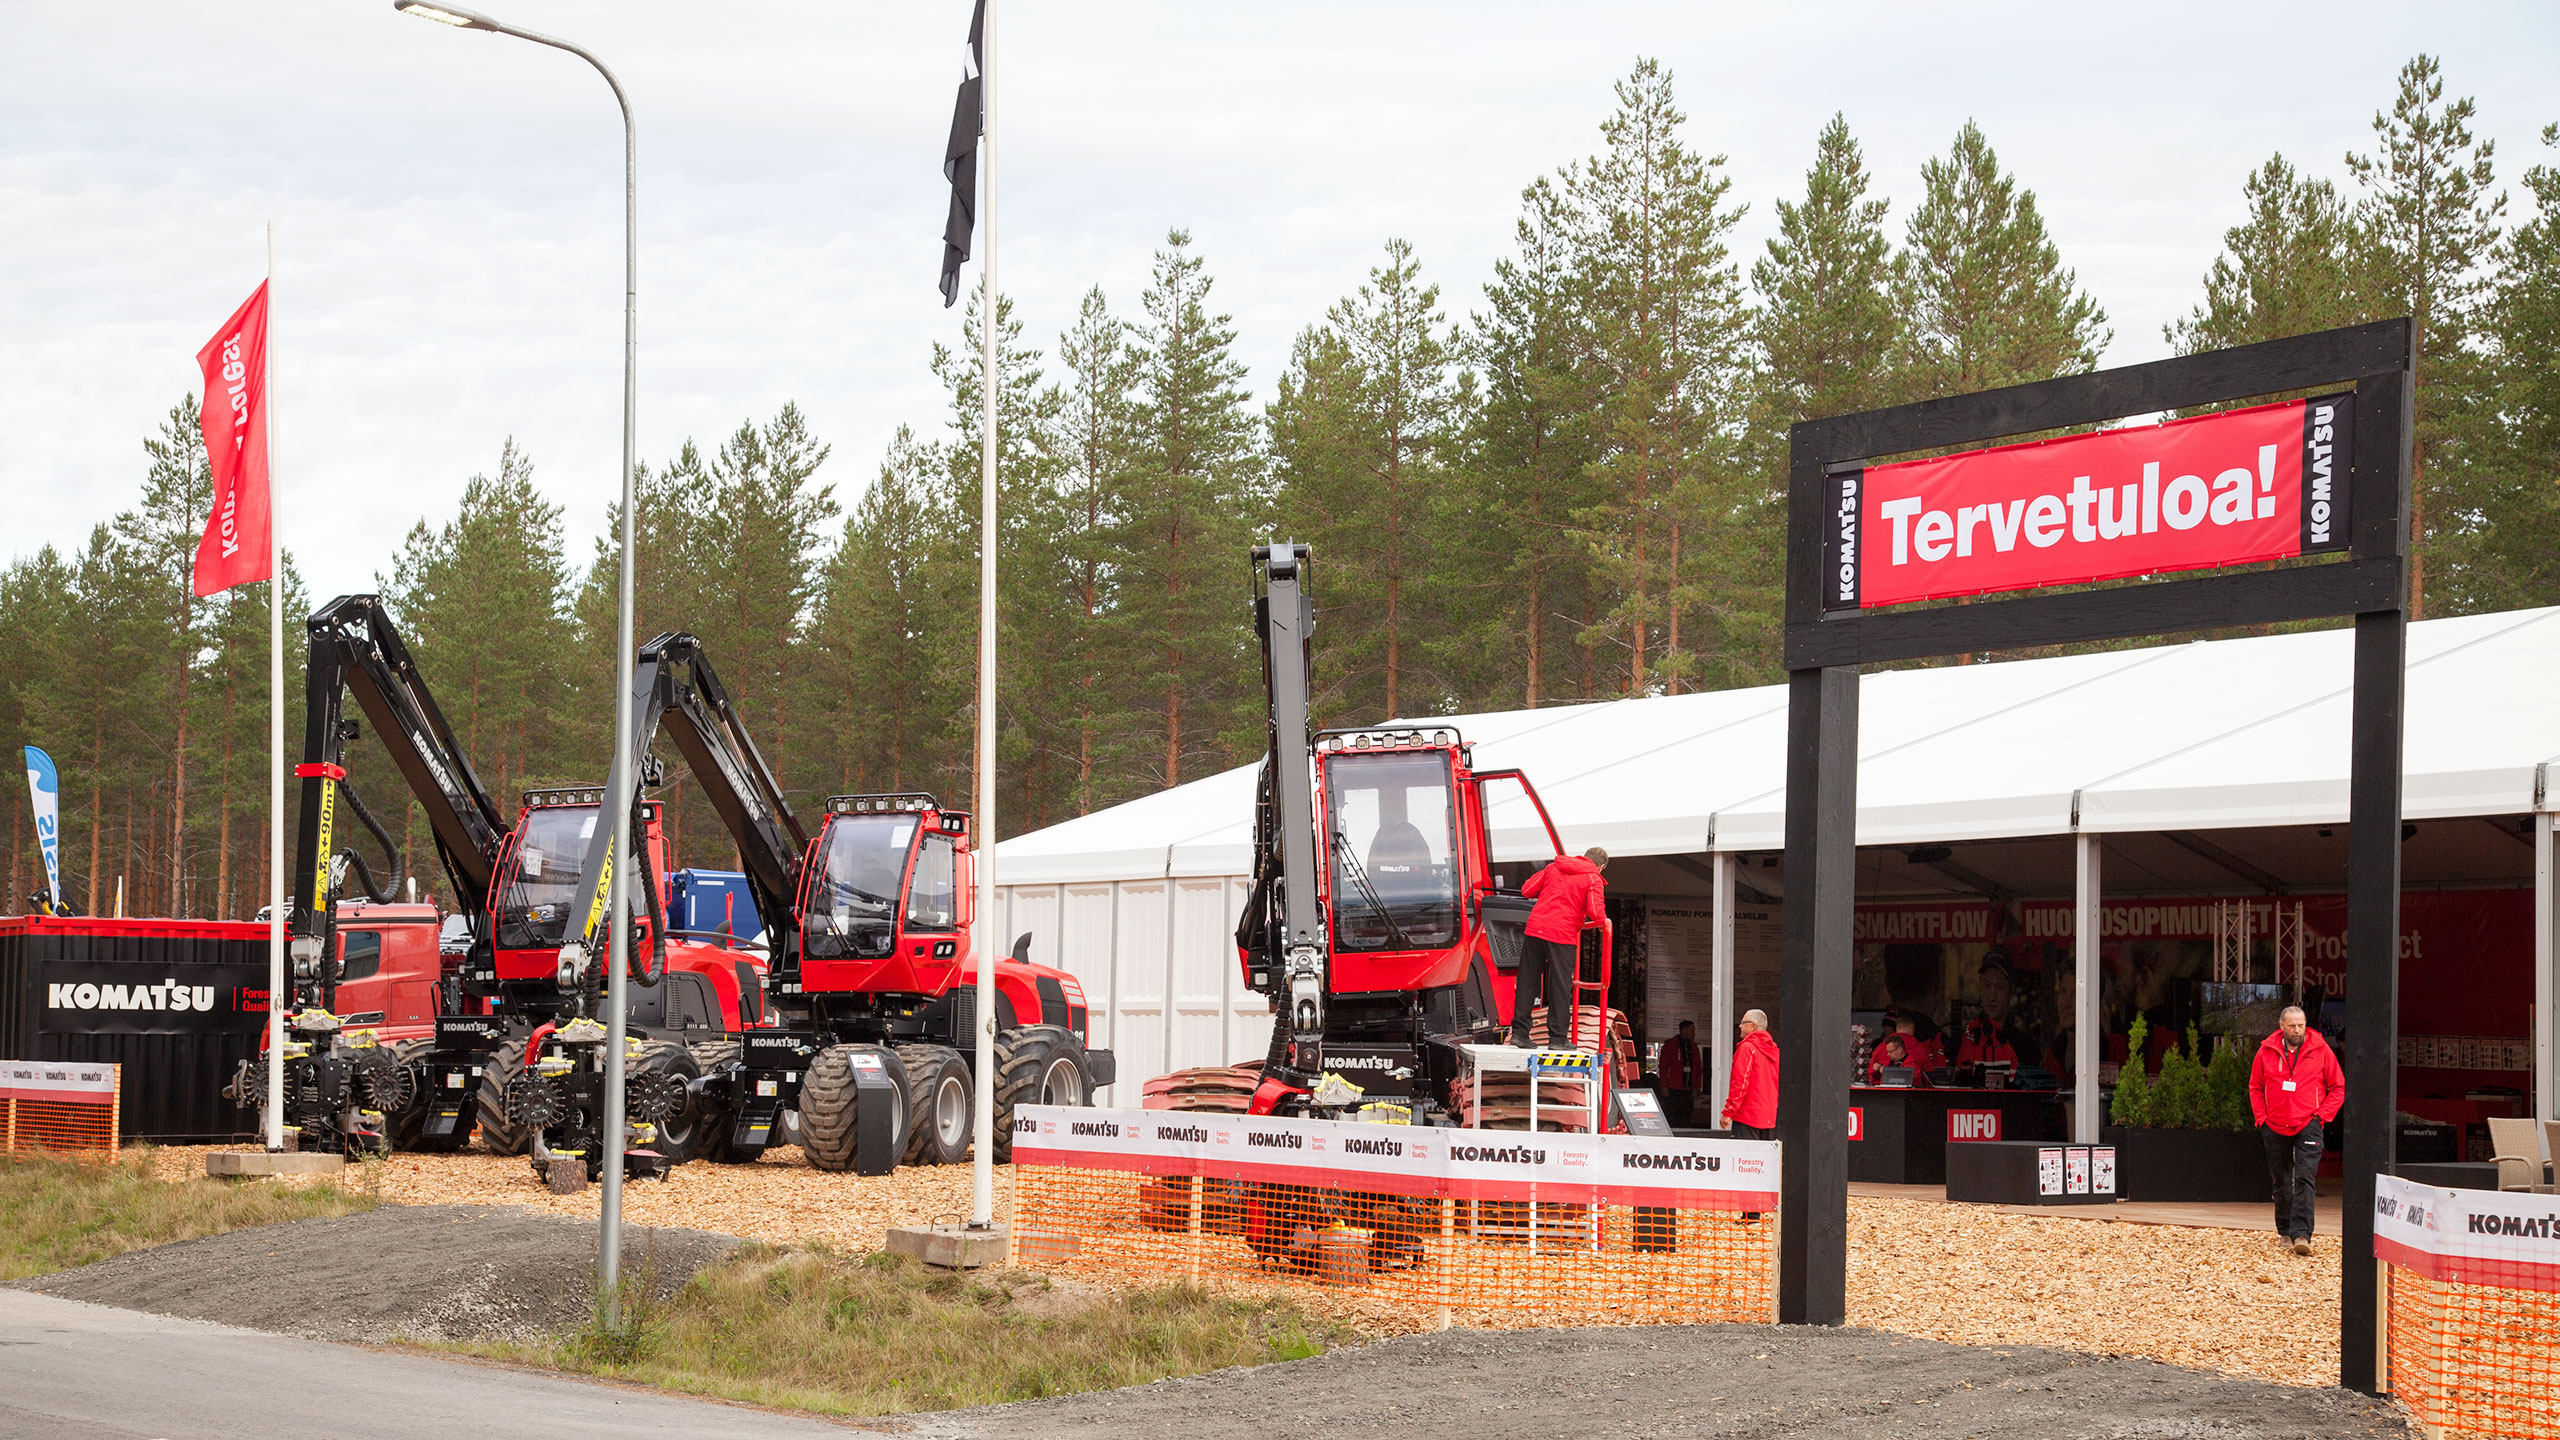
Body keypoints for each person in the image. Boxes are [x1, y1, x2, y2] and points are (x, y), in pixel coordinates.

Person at [2250, 1004, 2344, 1256]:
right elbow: (2255, 1087)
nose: (2297, 1030)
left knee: (2305, 1178)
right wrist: (2262, 1118)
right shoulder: (2266, 1051)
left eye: (2300, 1025)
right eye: (2291, 1025)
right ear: (2281, 1026)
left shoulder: (2321, 1049)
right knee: (2281, 1180)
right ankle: (2284, 1230)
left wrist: (2321, 1116)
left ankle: (2302, 1234)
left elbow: (2338, 1087)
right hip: (2275, 1124)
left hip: (2308, 1124)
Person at [1511, 846, 1608, 1048]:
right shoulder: (1592, 878)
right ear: (1600, 867)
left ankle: (1520, 1034)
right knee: (1560, 986)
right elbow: (1596, 912)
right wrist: (1603, 924)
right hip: (1562, 935)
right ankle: (1557, 1039)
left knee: (1527, 982)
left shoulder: (1554, 867)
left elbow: (1527, 890)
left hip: (1535, 929)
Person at [1722, 1009, 1778, 1139]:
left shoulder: (1747, 1048)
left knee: (1744, 1158)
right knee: (1764, 1159)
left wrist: (1728, 1111)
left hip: (1747, 1117)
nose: (1740, 1026)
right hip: (1769, 1117)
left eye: (1743, 1022)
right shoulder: (1774, 1051)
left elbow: (1740, 1083)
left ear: (1753, 1026)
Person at [1658, 1019, 1701, 1124]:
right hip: (1673, 1089)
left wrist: (1696, 1088)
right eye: (1692, 1031)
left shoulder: (1694, 1047)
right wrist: (1664, 1085)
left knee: (1686, 1117)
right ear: (1684, 1030)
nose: (1694, 1034)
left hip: (1688, 1090)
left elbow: (1698, 1069)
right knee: (1673, 1117)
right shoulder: (1670, 1046)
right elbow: (1663, 1067)